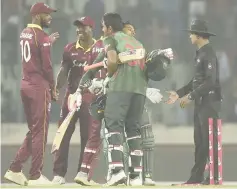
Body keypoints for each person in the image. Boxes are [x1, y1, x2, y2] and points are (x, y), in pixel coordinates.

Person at [78, 21, 173, 186]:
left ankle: (142, 175)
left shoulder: (137, 48)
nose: (132, 32)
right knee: (108, 135)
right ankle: (111, 172)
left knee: (141, 135)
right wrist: (93, 84)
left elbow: (144, 69)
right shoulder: (110, 43)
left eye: (133, 29)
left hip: (132, 94)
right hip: (110, 94)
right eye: (129, 29)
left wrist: (158, 57)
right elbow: (97, 68)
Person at [4, 2, 59, 186]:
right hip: (38, 87)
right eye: (47, 14)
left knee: (34, 131)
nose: (50, 16)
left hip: (25, 84)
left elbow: (34, 50)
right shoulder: (41, 36)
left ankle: (15, 168)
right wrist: (53, 87)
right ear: (37, 16)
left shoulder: (25, 33)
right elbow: (47, 66)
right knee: (41, 132)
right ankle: (35, 175)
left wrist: (47, 42)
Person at [166, 20, 222, 185]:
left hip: (210, 102)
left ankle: (214, 177)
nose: (189, 36)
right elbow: (196, 82)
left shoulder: (209, 53)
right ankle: (196, 177)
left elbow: (210, 82)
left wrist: (190, 96)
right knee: (199, 141)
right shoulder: (200, 53)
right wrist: (178, 94)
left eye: (191, 33)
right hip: (201, 102)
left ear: (199, 35)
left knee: (208, 140)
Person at [51, 16, 105, 185]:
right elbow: (64, 71)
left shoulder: (101, 48)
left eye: (83, 27)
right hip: (71, 97)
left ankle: (83, 174)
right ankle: (58, 174)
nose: (79, 30)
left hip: (90, 97)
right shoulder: (70, 48)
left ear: (92, 29)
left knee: (88, 136)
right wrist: (57, 88)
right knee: (63, 133)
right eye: (78, 27)